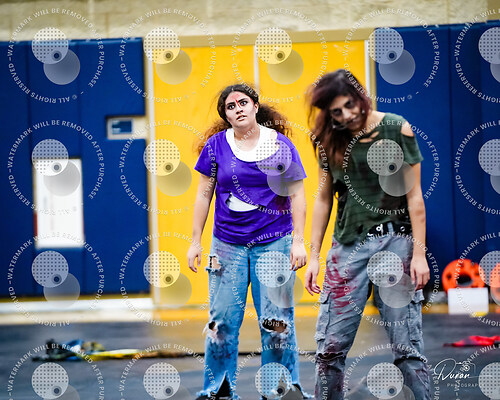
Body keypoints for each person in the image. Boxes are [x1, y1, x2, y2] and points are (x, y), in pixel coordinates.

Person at [304, 69, 431, 399]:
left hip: (396, 244)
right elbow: (323, 199)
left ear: (360, 97)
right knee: (330, 349)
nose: (346, 115)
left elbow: (414, 197)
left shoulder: (397, 128)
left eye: (350, 105)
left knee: (407, 348)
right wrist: (314, 256)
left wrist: (419, 254)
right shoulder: (329, 140)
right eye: (336, 112)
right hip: (348, 248)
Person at [188, 84, 311, 400]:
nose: (238, 109)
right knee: (221, 324)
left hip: (274, 242)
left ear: (255, 106)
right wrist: (195, 241)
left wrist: (299, 242)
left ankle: (280, 390)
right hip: (227, 244)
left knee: (276, 322)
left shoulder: (280, 145)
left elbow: (297, 194)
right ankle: (218, 390)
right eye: (230, 106)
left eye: (243, 102)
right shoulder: (215, 147)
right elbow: (203, 195)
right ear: (226, 116)